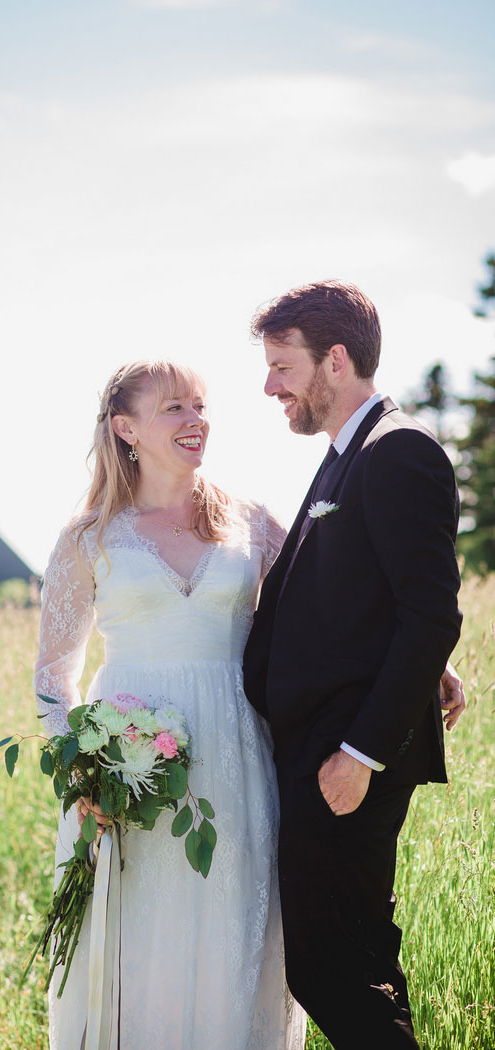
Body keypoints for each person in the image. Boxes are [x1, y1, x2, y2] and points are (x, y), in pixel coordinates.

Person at [34, 359, 307, 1050]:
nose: (196, 421)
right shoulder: (88, 536)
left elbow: (333, 601)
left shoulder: (250, 518)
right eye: (175, 409)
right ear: (125, 429)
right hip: (127, 776)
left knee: (229, 930)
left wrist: (436, 662)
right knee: (139, 937)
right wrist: (82, 771)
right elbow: (53, 675)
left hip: (238, 756)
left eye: (200, 406)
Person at [242, 280, 465, 1049]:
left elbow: (433, 610)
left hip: (345, 760)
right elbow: (382, 602)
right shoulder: (349, 453)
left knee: (329, 967)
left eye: (282, 366)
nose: (270, 385)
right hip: (324, 749)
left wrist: (362, 753)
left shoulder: (396, 449)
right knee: (352, 960)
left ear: (335, 360)